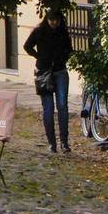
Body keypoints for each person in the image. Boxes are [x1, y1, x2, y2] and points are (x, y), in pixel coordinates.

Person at [24, 10, 73, 153]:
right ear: (47, 19)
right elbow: (27, 46)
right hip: (44, 72)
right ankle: (52, 142)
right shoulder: (39, 31)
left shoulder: (62, 32)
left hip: (59, 71)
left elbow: (69, 49)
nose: (53, 23)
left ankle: (64, 141)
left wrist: (62, 59)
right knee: (48, 108)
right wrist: (39, 57)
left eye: (56, 20)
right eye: (51, 20)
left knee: (62, 105)